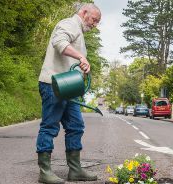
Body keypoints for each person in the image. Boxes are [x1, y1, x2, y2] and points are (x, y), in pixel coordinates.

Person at [36, 3, 101, 184]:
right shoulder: (69, 24)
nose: (95, 24)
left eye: (97, 22)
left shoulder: (79, 31)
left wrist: (83, 67)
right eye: (94, 20)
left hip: (68, 88)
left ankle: (75, 170)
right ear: (84, 12)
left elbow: (69, 54)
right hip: (53, 84)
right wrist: (81, 57)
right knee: (49, 126)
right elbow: (59, 42)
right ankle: (45, 171)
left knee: (75, 126)